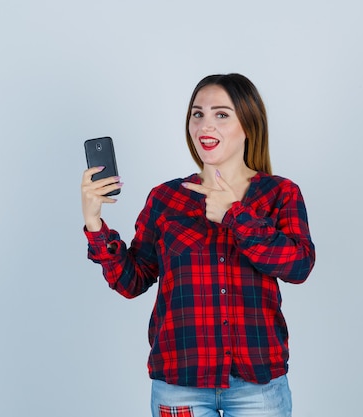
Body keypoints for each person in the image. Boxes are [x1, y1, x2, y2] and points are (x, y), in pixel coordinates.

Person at [80, 73, 315, 417]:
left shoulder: (280, 193)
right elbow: (132, 282)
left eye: (221, 114)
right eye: (197, 114)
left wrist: (235, 215)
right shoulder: (165, 198)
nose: (206, 125)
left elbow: (298, 266)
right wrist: (95, 224)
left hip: (258, 385)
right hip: (180, 386)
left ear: (248, 124)